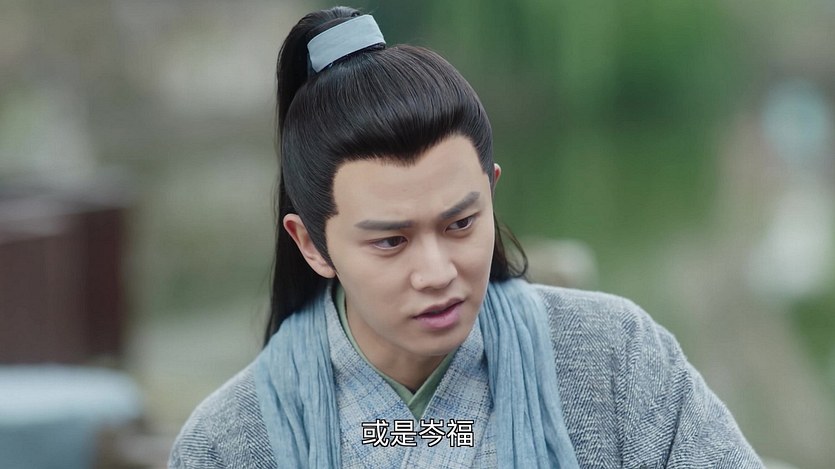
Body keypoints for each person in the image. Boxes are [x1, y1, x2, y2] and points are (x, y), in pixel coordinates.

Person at [169, 6, 764, 468]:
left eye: (460, 224)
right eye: (390, 241)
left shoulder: (616, 360)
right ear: (310, 245)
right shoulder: (230, 442)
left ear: (491, 192)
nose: (437, 273)